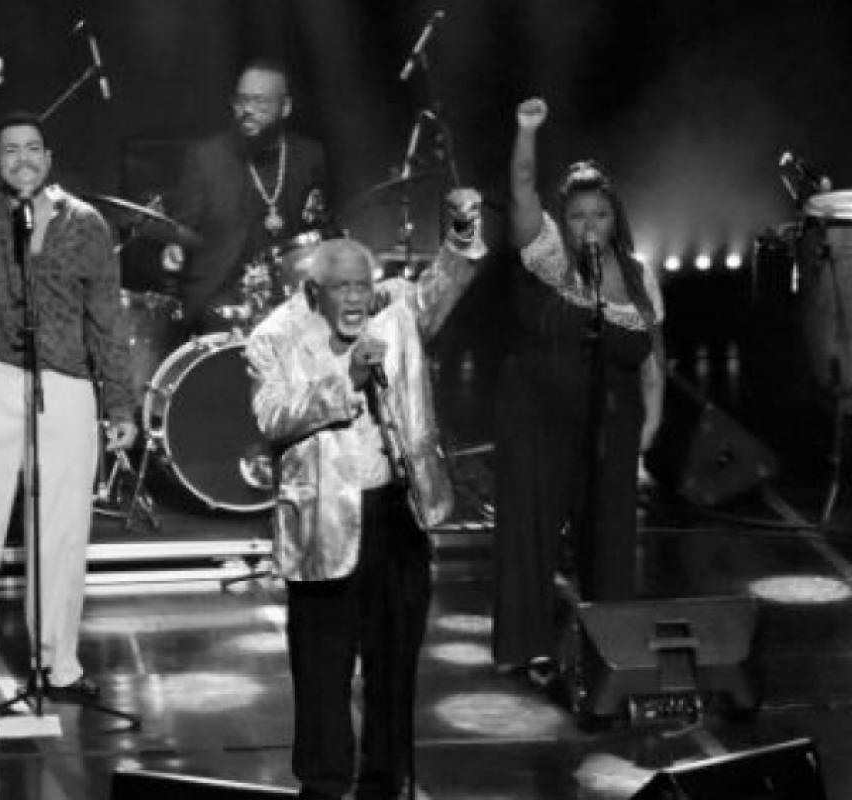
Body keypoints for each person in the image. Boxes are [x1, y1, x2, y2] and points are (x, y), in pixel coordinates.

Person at [245, 190, 487, 800]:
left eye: (363, 285)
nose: (355, 298)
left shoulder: (395, 315)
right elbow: (273, 416)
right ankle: (324, 784)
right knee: (322, 669)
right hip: (323, 523)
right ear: (313, 292)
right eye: (342, 288)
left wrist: (461, 232)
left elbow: (442, 287)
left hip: (395, 515)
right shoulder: (274, 337)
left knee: (395, 666)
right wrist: (344, 380)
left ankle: (386, 782)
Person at [0, 53, 138, 719]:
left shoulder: (85, 224)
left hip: (67, 387)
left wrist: (120, 402)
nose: (22, 159)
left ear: (49, 158)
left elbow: (106, 319)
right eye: (9, 150)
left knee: (63, 531)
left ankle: (58, 663)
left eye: (32, 149)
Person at [492, 97, 666, 681]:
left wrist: (649, 427)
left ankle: (609, 642)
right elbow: (521, 188)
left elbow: (653, 359)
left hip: (612, 424)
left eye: (600, 214)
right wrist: (527, 132)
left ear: (616, 218)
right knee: (531, 529)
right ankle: (527, 645)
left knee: (611, 536)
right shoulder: (547, 257)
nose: (589, 225)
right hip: (537, 416)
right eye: (577, 216)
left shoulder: (638, 276)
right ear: (562, 221)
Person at [163, 57, 332, 333]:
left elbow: (321, 230)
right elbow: (181, 229)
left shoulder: (309, 156)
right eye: (241, 101)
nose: (247, 110)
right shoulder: (207, 158)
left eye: (259, 102)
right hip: (224, 296)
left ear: (285, 107)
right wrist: (175, 246)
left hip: (292, 292)